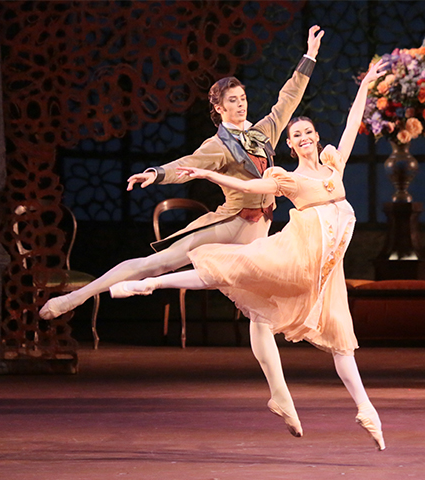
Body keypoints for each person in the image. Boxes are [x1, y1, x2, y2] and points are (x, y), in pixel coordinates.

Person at [40, 27, 324, 437]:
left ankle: (279, 395)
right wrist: (155, 174)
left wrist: (309, 56)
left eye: (243, 98)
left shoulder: (264, 132)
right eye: (232, 101)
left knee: (259, 315)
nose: (241, 105)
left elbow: (289, 96)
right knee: (153, 264)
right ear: (219, 109)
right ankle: (75, 297)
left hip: (258, 237)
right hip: (227, 227)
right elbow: (185, 164)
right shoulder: (217, 145)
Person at [108, 59, 389, 450]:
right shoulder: (284, 179)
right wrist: (207, 175)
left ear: (316, 136)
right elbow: (251, 182)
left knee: (342, 344)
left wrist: (366, 86)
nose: (305, 138)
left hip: (327, 274)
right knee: (227, 269)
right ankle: (151, 284)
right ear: (288, 145)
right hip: (294, 254)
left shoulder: (332, 166)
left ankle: (367, 411)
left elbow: (351, 123)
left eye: (308, 132)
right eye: (297, 136)